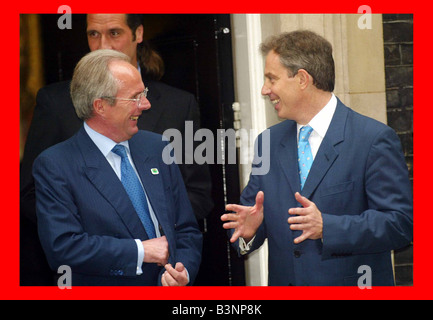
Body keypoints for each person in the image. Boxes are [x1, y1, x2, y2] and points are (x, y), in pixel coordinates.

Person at [20, 14, 213, 285]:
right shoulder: (55, 159)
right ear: (100, 106)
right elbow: (61, 242)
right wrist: (139, 250)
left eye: (114, 33)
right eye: (135, 98)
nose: (145, 106)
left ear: (138, 33)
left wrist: (182, 271)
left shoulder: (157, 145)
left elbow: (186, 225)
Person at [221, 30, 413, 286]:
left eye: (271, 79)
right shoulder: (267, 143)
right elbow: (251, 215)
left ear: (302, 78)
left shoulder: (373, 139)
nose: (265, 90)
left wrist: (328, 227)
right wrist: (248, 232)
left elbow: (400, 224)